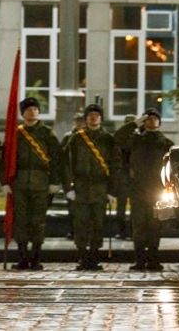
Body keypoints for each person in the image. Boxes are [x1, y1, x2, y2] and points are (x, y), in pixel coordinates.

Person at [0, 97, 61, 271]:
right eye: (28, 110)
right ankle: (22, 258)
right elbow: (5, 159)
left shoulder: (47, 133)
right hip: (19, 182)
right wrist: (4, 181)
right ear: (22, 114)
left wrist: (55, 181)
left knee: (38, 221)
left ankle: (35, 258)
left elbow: (57, 158)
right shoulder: (16, 133)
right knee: (21, 221)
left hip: (41, 182)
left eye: (35, 109)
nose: (32, 112)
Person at [62, 103, 120, 271]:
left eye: (96, 115)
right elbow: (66, 163)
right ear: (86, 119)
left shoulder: (108, 139)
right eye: (90, 116)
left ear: (101, 119)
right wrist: (68, 188)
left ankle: (94, 257)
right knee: (80, 223)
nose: (93, 118)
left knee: (98, 224)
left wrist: (112, 190)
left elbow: (115, 165)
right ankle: (82, 257)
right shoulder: (76, 138)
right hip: (80, 187)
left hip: (100, 187)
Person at [115, 108, 174, 271]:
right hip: (138, 189)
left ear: (159, 122)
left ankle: (153, 260)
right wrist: (135, 123)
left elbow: (172, 168)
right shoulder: (136, 140)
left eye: (155, 118)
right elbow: (118, 138)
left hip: (157, 190)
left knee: (155, 226)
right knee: (139, 226)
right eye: (148, 118)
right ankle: (139, 260)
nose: (152, 120)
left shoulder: (166, 143)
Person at [60, 112, 86, 241]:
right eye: (78, 121)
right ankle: (73, 231)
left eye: (82, 121)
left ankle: (84, 232)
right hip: (71, 176)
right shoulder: (68, 136)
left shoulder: (88, 136)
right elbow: (62, 155)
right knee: (72, 208)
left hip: (84, 177)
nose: (80, 124)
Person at [113, 114, 136, 240]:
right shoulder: (122, 138)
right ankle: (123, 231)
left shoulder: (138, 138)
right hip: (123, 176)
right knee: (121, 207)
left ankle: (130, 231)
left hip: (132, 176)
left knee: (133, 207)